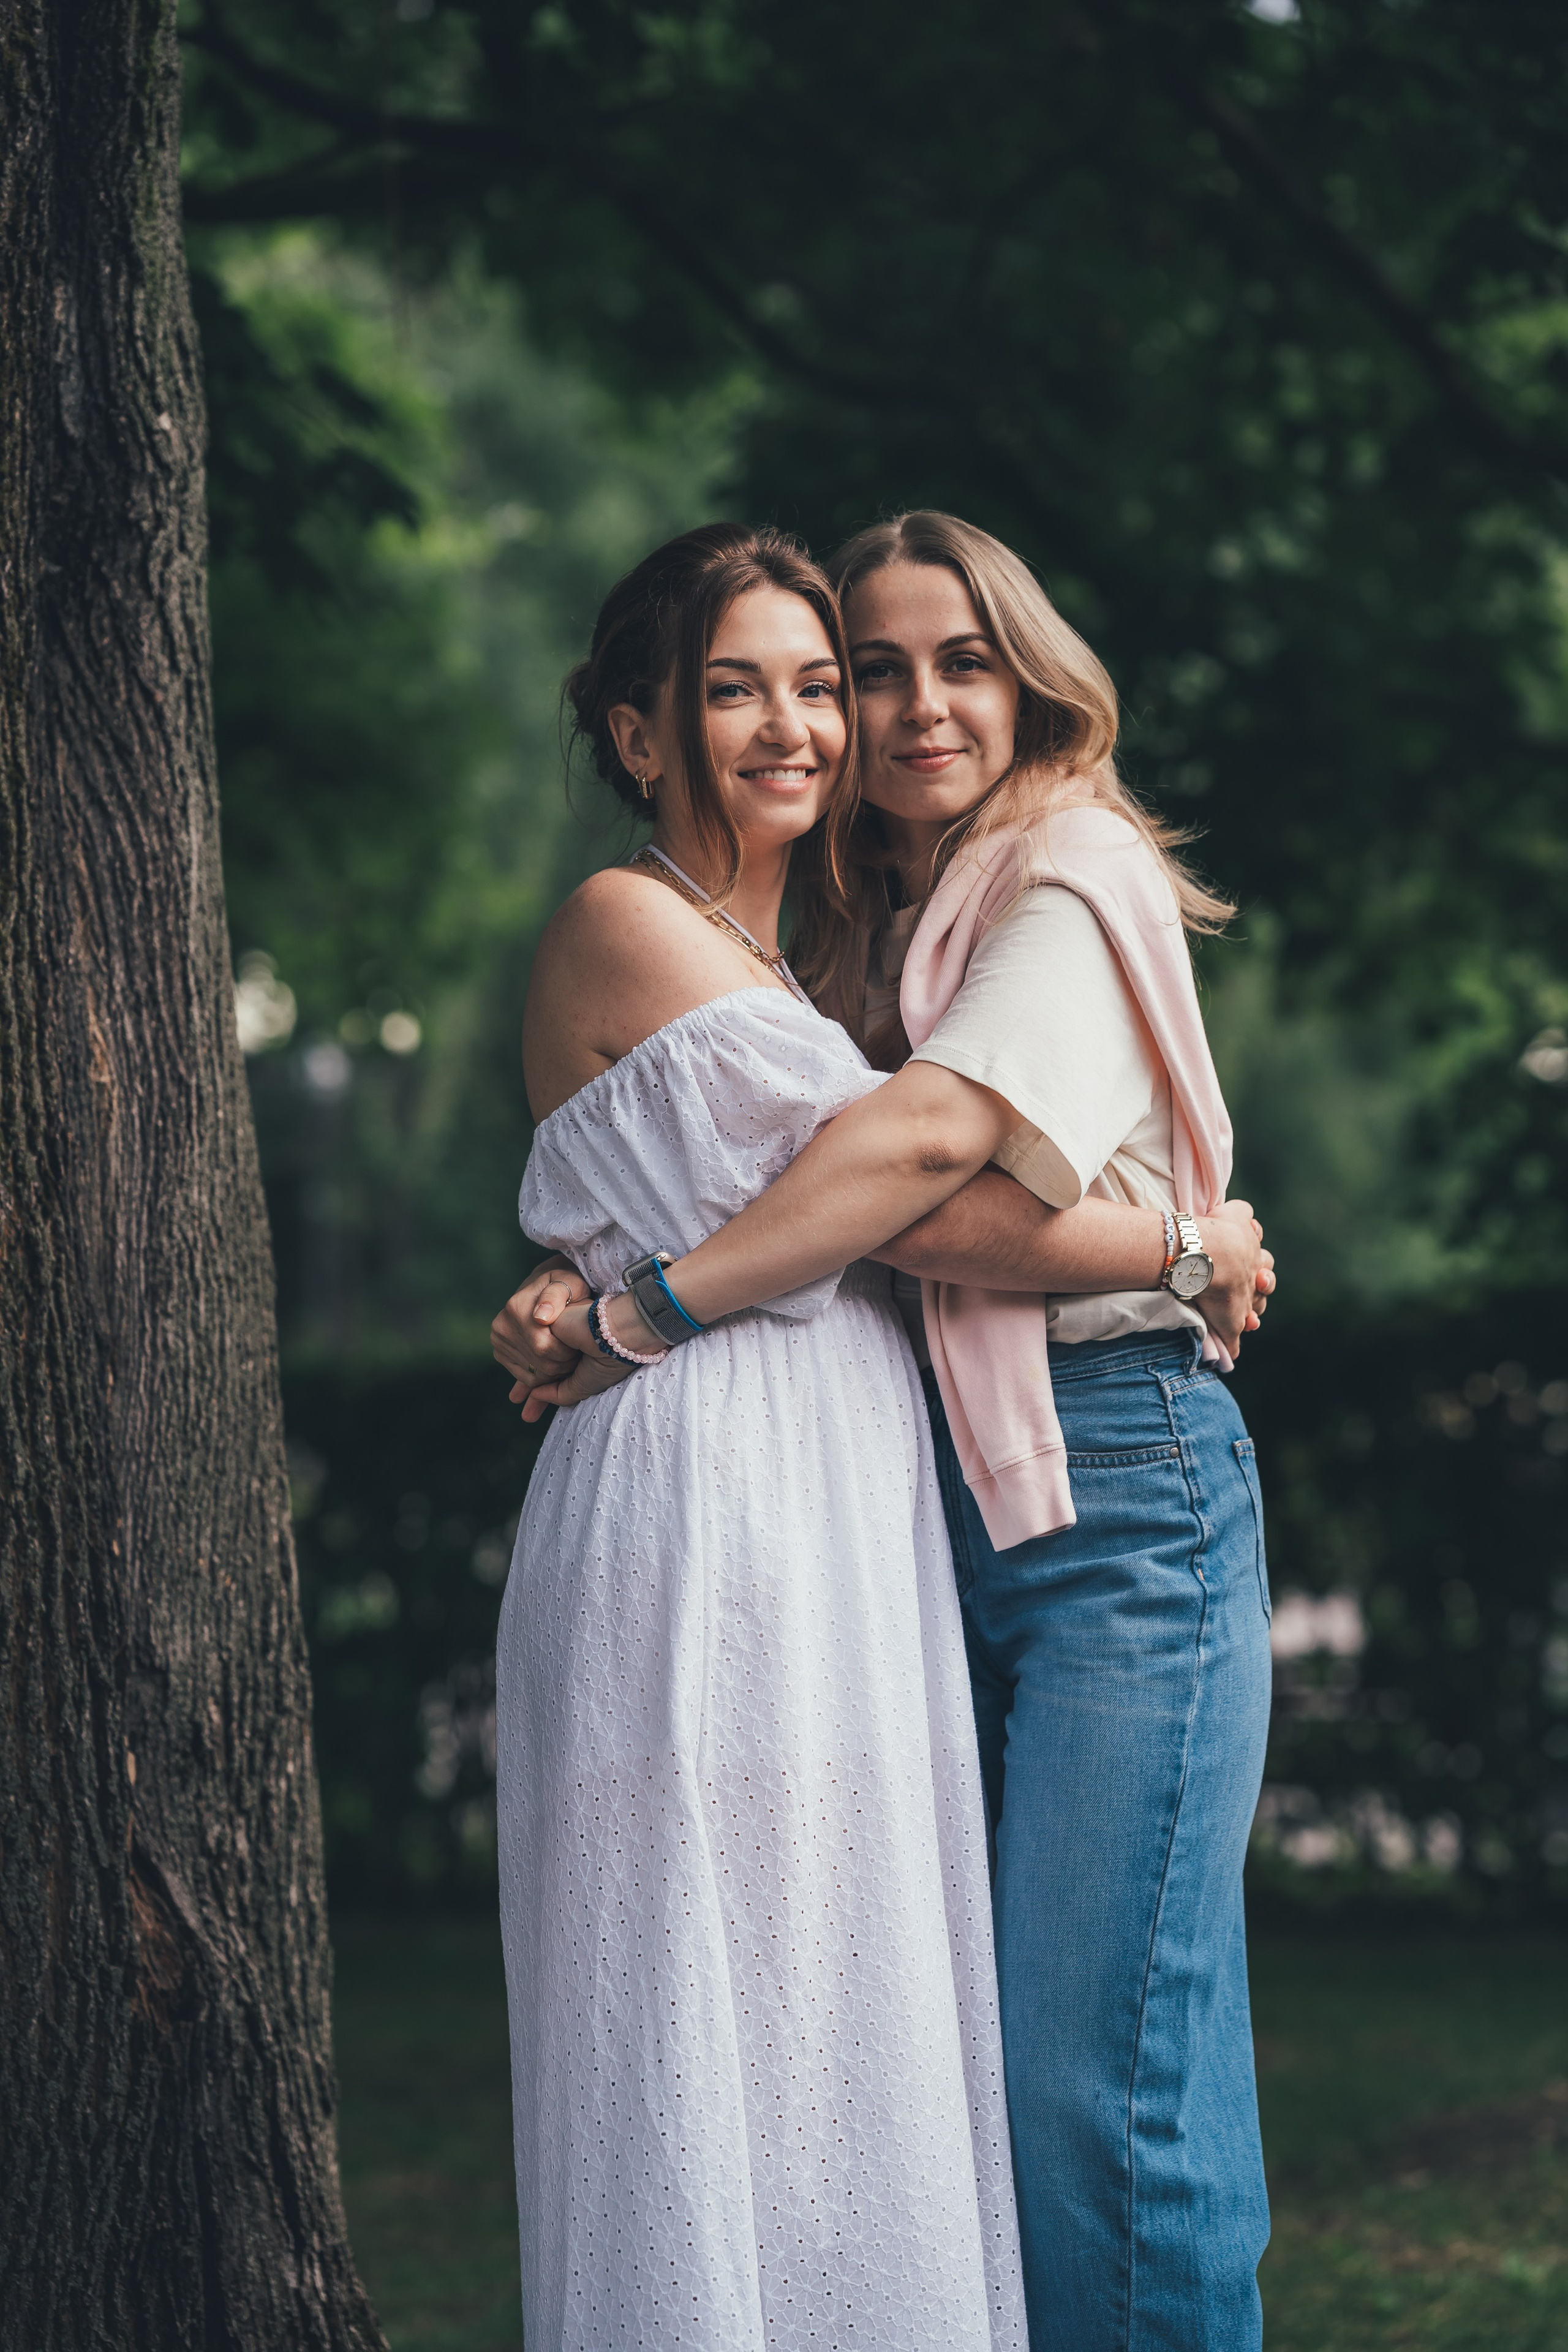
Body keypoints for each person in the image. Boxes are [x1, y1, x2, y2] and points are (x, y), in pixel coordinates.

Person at [502, 513, 1275, 2350]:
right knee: (801, 2032)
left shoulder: (1055, 880)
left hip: (1084, 1488)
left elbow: (899, 1182)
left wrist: (636, 1292)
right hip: (806, 1514)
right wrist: (1190, 1235)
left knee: (1077, 2079)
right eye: (759, 685)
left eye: (936, 665)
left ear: (1031, 682)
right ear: (637, 734)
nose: (850, 715)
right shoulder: (804, 946)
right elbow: (893, 1183)